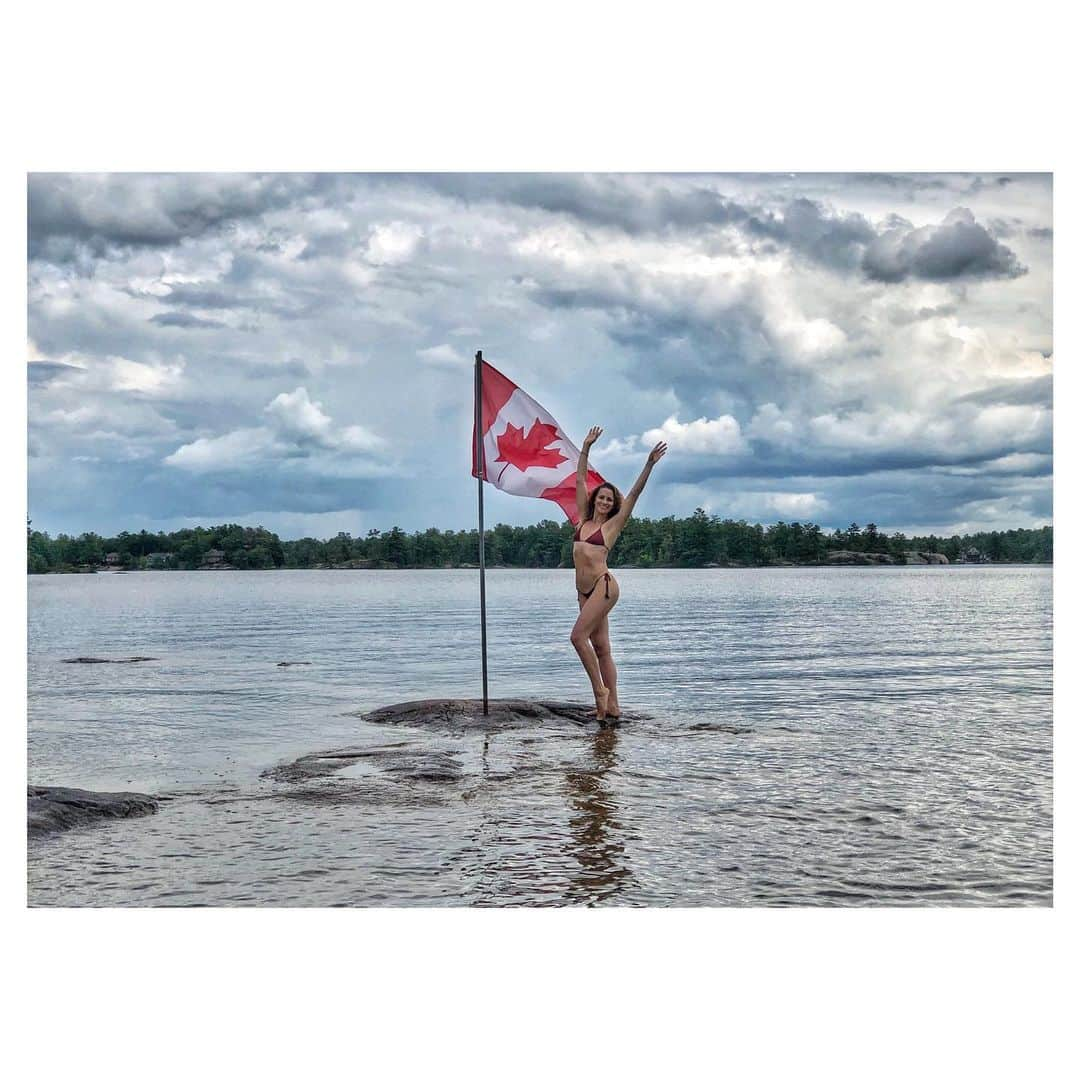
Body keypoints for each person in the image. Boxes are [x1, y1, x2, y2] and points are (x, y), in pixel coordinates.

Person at [571, 426, 667, 724]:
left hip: (604, 587)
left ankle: (600, 692)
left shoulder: (610, 528)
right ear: (594, 500)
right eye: (600, 498)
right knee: (601, 648)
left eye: (609, 500)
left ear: (613, 505)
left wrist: (649, 464)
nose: (604, 502)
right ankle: (613, 706)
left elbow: (635, 494)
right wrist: (586, 447)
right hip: (583, 591)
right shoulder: (581, 521)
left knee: (577, 637)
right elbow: (579, 478)